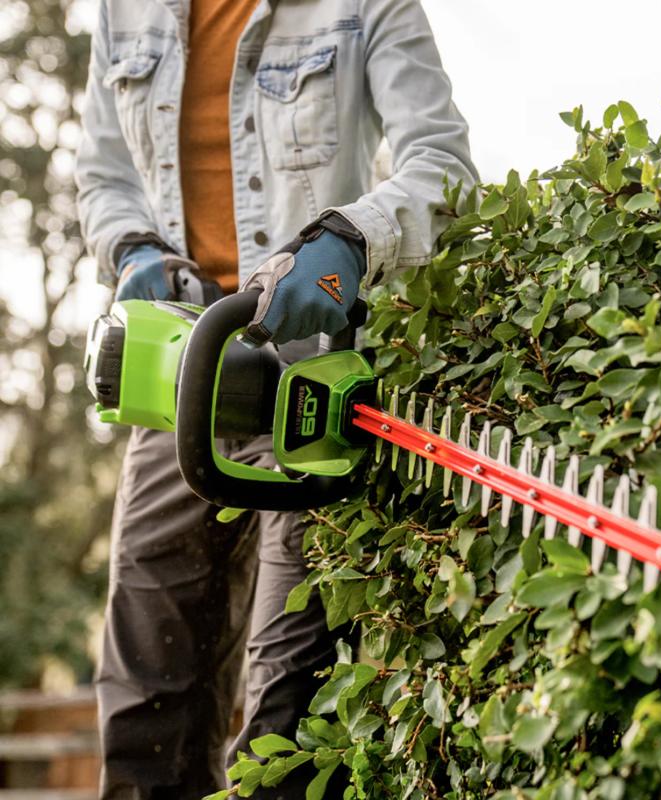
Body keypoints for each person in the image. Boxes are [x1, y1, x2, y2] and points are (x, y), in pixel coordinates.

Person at [76, 0, 477, 797]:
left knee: (286, 712)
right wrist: (132, 249)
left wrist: (351, 239)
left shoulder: (365, 6)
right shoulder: (127, 13)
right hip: (179, 376)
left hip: (308, 387)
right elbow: (104, 177)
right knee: (146, 691)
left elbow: (444, 166)